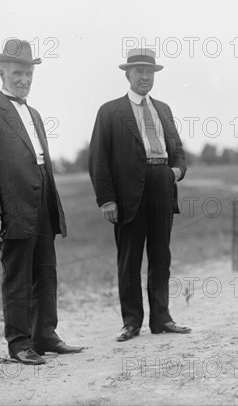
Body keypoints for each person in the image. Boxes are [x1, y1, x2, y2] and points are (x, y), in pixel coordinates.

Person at [0, 39, 83, 365]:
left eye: (29, 73)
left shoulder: (33, 113)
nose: (24, 80)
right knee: (17, 277)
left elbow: (40, 161)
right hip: (12, 210)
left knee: (46, 272)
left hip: (43, 205)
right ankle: (19, 343)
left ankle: (44, 334)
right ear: (1, 72)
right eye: (17, 73)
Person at [89, 48, 190, 342]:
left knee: (161, 256)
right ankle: (131, 322)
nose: (145, 77)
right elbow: (98, 159)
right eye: (139, 72)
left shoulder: (164, 109)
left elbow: (179, 151)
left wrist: (176, 172)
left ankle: (162, 318)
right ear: (127, 75)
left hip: (162, 183)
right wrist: (106, 199)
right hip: (127, 192)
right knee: (130, 259)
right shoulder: (110, 111)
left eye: (150, 72)